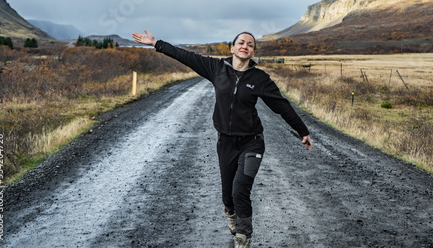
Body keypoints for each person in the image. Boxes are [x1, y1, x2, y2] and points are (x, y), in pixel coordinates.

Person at [132, 30, 313, 248]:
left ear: (253, 51)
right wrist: (156, 43)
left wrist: (302, 131)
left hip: (252, 142)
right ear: (233, 48)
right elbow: (185, 56)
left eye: (250, 44)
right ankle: (230, 213)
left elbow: (281, 106)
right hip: (226, 143)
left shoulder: (260, 79)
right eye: (241, 42)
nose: (245, 46)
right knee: (228, 198)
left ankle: (243, 239)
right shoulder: (216, 69)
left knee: (240, 190)